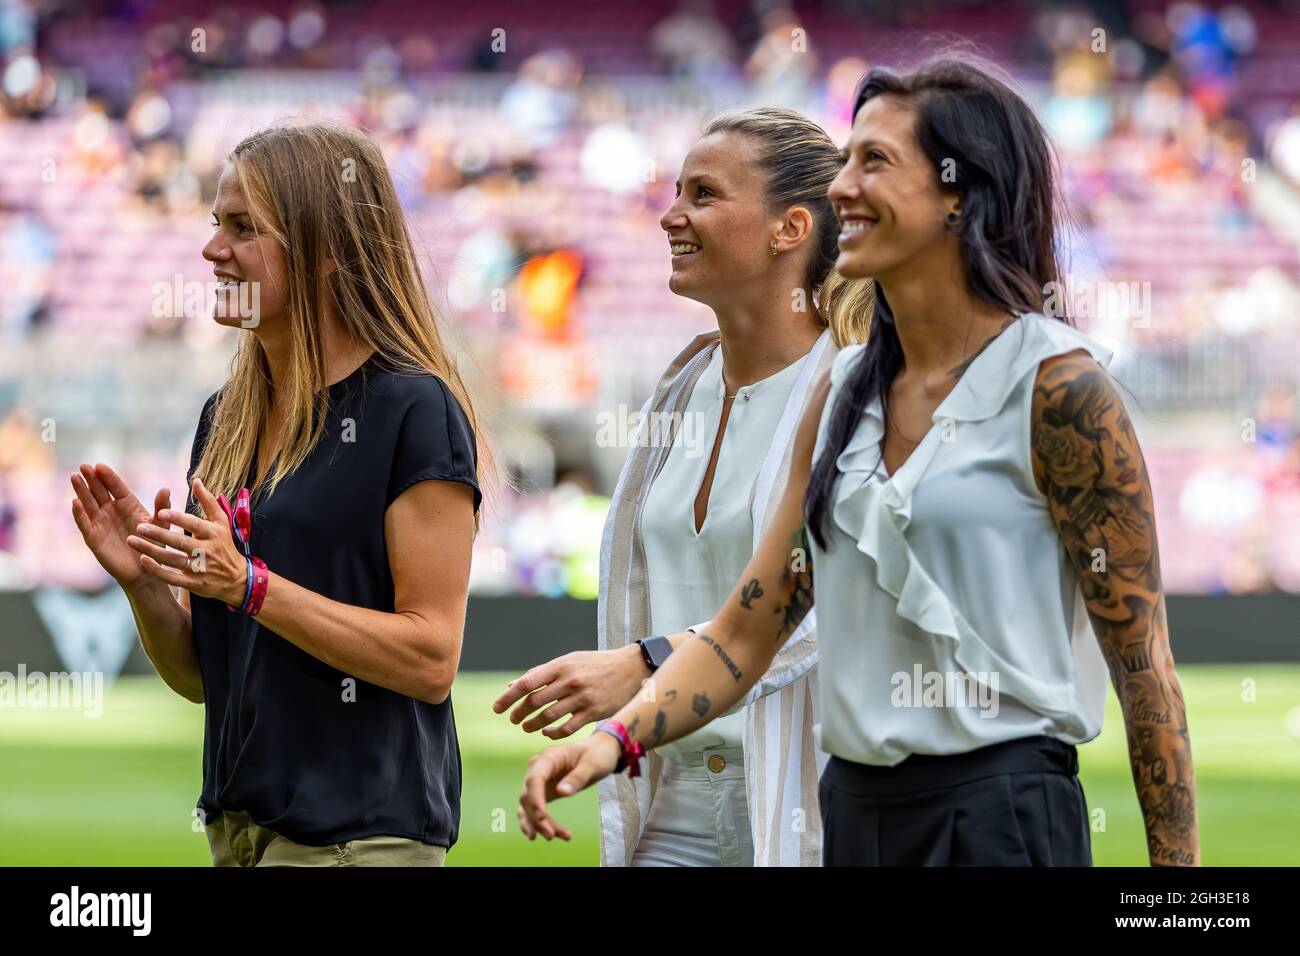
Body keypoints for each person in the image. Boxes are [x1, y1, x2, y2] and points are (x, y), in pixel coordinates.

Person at [517, 58, 1201, 867]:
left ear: (958, 193)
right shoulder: (843, 389)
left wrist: (1177, 891)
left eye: (875, 162)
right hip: (854, 819)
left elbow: (1144, 669)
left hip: (1003, 818)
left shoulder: (1059, 387)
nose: (842, 188)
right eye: (847, 161)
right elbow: (744, 636)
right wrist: (615, 741)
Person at [70, 121, 488, 867]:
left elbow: (431, 658)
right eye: (214, 224)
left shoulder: (412, 410)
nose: (212, 250)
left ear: (326, 250)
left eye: (242, 228)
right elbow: (204, 678)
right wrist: (142, 582)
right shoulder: (223, 417)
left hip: (360, 843)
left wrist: (252, 587)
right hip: (240, 838)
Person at [496, 107, 873, 866]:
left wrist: (643, 663)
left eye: (703, 194)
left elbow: (831, 606)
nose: (671, 215)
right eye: (676, 192)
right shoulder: (679, 388)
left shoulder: (857, 391)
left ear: (790, 228)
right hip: (669, 798)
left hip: (800, 800)